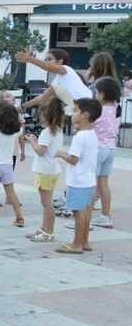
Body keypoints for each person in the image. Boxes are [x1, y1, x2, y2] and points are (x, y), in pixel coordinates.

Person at [54, 98, 101, 254]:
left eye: (75, 111)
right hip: (88, 180)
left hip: (78, 181)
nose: (72, 114)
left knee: (77, 212)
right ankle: (84, 242)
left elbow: (73, 159)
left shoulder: (79, 137)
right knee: (85, 211)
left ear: (85, 115)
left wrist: (61, 154)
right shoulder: (91, 134)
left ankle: (77, 244)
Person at [77, 77, 120, 230]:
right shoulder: (116, 109)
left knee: (92, 186)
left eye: (96, 92)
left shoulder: (99, 111)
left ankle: (85, 220)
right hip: (110, 149)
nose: (95, 95)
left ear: (102, 94)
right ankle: (105, 217)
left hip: (97, 150)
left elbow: (86, 125)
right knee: (103, 184)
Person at [24, 95, 65, 242]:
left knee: (46, 204)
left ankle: (49, 232)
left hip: (45, 171)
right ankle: (43, 228)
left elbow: (40, 151)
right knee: (46, 202)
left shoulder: (46, 132)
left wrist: (32, 140)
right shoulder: (58, 130)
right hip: (52, 169)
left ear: (46, 114)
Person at [16, 48, 92, 118]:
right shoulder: (56, 81)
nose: (45, 61)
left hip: (89, 105)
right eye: (45, 59)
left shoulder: (66, 69)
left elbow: (48, 67)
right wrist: (22, 107)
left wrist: (29, 59)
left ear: (59, 62)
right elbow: (42, 98)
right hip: (80, 109)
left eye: (49, 59)